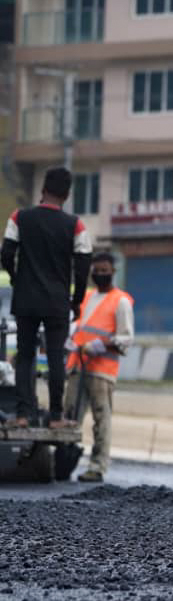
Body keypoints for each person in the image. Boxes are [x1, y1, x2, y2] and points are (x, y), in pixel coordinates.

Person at [0, 167, 93, 428]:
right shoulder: (76, 225)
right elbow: (84, 263)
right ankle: (55, 417)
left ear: (43, 190)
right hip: (57, 302)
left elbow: (6, 253)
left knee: (25, 356)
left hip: (26, 300)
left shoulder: (19, 217)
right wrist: (76, 299)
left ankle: (21, 415)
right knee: (55, 357)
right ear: (67, 195)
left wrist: (17, 278)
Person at [65, 252, 133, 483]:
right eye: (97, 271)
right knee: (69, 417)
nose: (100, 274)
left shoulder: (120, 301)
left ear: (113, 272)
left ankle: (98, 466)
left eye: (105, 270)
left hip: (102, 371)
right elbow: (78, 327)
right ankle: (63, 463)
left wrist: (102, 345)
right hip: (78, 367)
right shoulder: (86, 298)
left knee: (101, 419)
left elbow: (126, 339)